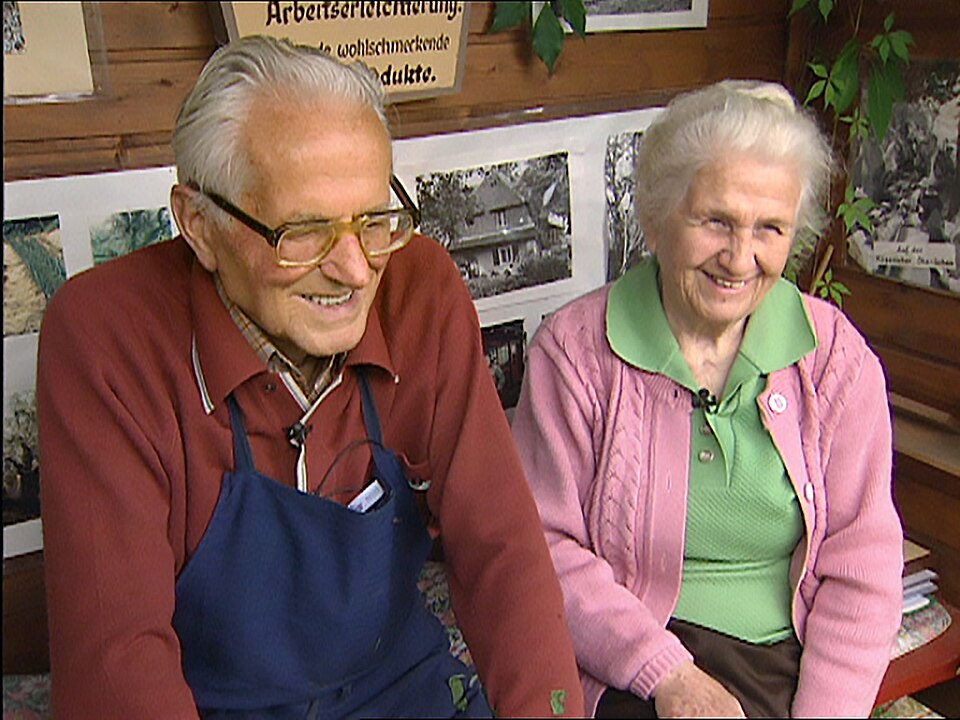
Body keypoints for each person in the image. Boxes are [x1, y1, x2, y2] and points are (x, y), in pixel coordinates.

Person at [37, 35, 584, 719]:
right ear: (199, 224)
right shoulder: (105, 337)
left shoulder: (421, 290)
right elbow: (117, 661)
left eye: (373, 221)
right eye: (303, 231)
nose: (355, 270)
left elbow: (503, 551)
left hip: (403, 695)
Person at [511, 80, 903, 718]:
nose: (740, 258)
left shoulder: (834, 360)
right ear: (657, 218)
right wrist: (665, 674)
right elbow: (543, 546)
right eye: (716, 221)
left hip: (783, 659)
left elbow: (863, 567)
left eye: (770, 228)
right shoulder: (576, 353)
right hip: (629, 653)